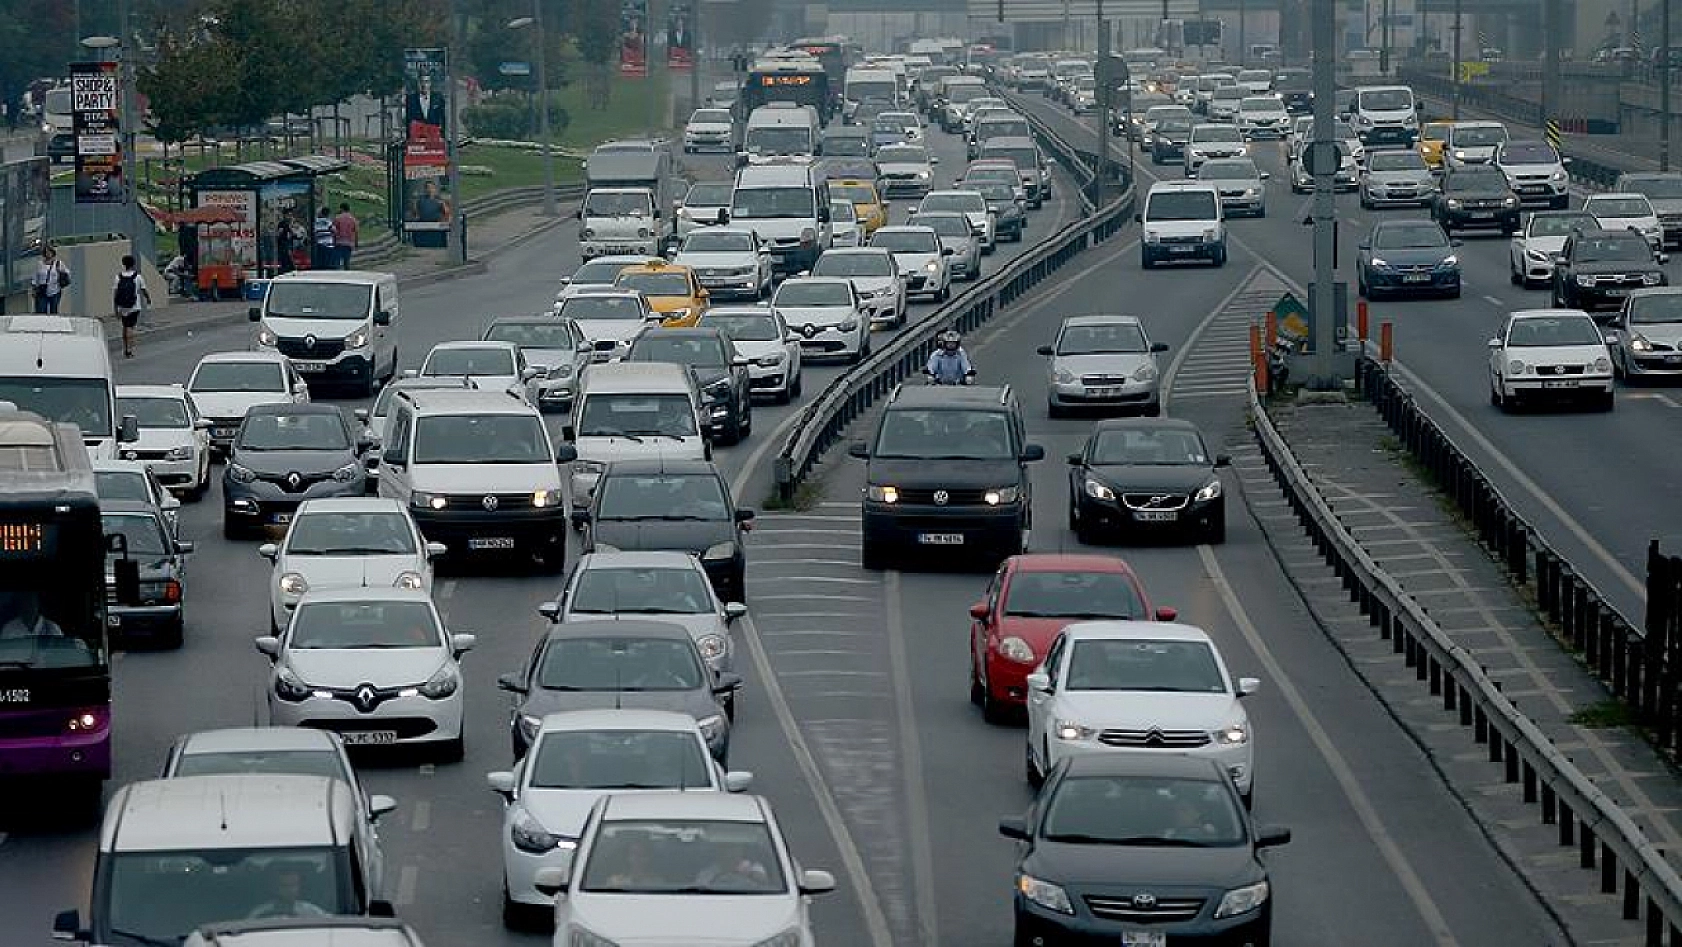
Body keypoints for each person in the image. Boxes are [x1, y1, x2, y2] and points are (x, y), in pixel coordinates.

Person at [247, 866, 329, 919]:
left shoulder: (313, 912)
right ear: (276, 888)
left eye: (293, 885)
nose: (290, 890)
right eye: (285, 886)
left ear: (299, 886)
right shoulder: (260, 914)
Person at [112, 255, 150, 359]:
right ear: (133, 264)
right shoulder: (138, 277)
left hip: (122, 306)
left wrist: (115, 309)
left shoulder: (118, 277)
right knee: (130, 328)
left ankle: (125, 348)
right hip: (134, 306)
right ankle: (129, 350)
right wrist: (148, 299)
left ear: (123, 264)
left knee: (125, 326)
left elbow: (115, 294)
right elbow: (144, 290)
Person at [0, 593, 65, 639]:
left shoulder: (52, 628)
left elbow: (59, 654)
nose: (27, 607)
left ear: (37, 604)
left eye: (31, 602)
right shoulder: (9, 629)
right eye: (23, 603)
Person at [404, 72, 446, 137]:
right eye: (421, 82)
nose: (424, 85)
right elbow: (408, 121)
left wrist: (442, 137)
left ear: (430, 83)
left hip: (434, 136)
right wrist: (409, 138)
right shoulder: (411, 99)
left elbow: (442, 119)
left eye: (426, 82)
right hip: (417, 137)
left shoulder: (438, 98)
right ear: (418, 83)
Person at [31, 244, 69, 313]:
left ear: (52, 253)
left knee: (53, 311)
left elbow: (66, 273)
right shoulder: (39, 264)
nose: (48, 254)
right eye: (46, 252)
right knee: (41, 311)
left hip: (55, 290)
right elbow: (35, 278)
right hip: (42, 291)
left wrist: (60, 272)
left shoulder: (58, 263)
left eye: (49, 252)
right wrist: (34, 289)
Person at [331, 203, 358, 270]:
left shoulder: (337, 218)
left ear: (342, 208)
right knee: (347, 262)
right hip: (349, 243)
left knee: (337, 261)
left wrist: (333, 241)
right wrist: (356, 243)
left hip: (339, 242)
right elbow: (356, 232)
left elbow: (333, 230)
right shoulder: (353, 219)